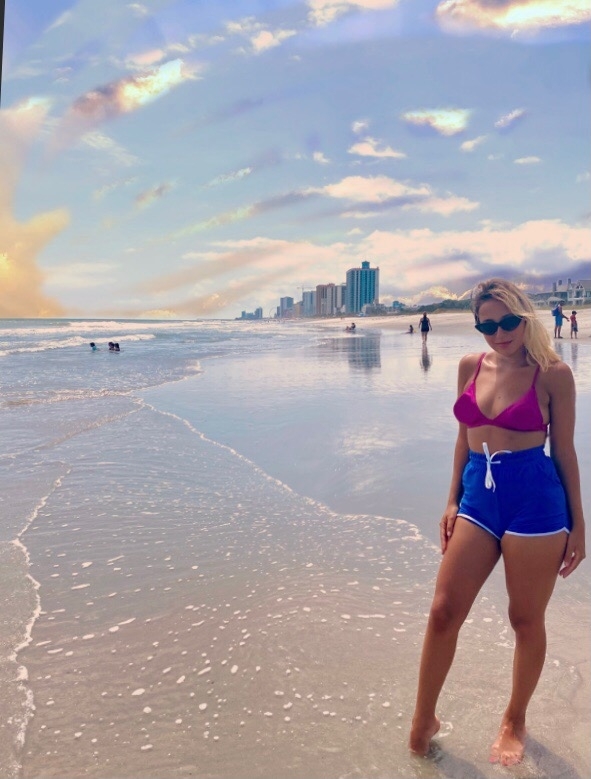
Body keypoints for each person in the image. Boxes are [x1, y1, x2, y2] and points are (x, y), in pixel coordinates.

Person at [409, 278, 585, 766]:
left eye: (507, 322)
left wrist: (579, 523)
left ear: (524, 317)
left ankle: (515, 719)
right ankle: (423, 718)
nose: (499, 333)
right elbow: (463, 439)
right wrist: (451, 500)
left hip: (535, 503)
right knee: (443, 611)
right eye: (487, 325)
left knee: (524, 619)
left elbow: (564, 451)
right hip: (477, 496)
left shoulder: (553, 374)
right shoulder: (470, 366)